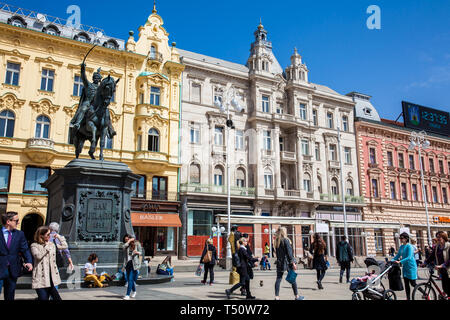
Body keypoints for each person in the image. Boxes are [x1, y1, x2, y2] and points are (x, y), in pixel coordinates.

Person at [0, 211, 33, 300]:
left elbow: (25, 249)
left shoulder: (20, 234)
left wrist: (28, 261)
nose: (18, 222)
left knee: (10, 295)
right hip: (0, 267)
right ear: (8, 221)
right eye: (16, 220)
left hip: (13, 269)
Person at [30, 226, 67, 300]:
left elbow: (65, 246)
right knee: (43, 298)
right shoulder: (34, 245)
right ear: (41, 236)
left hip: (51, 278)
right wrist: (46, 246)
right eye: (48, 234)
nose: (50, 236)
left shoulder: (52, 244)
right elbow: (38, 256)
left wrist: (59, 237)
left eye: (50, 234)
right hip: (41, 277)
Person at [274, 227, 304, 300]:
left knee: (278, 279)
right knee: (292, 278)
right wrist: (293, 262)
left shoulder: (276, 241)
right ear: (284, 232)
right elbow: (289, 253)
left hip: (280, 262)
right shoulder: (286, 240)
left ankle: (277, 297)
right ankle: (297, 296)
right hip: (287, 262)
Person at [391, 232, 417, 300]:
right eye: (400, 238)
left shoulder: (409, 246)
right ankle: (408, 298)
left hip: (411, 267)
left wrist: (400, 261)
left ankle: (425, 294)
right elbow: (398, 255)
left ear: (406, 239)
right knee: (406, 284)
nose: (400, 239)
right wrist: (391, 260)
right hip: (405, 267)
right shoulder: (401, 246)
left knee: (413, 284)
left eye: (402, 238)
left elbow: (409, 257)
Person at [423, 231, 450, 296]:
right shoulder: (437, 247)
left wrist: (443, 265)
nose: (437, 238)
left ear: (443, 237)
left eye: (439, 237)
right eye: (437, 237)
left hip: (448, 270)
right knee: (445, 288)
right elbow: (432, 256)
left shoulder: (449, 246)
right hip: (442, 270)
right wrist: (425, 262)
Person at [122, 234, 143, 300]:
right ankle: (134, 291)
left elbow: (141, 252)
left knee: (130, 279)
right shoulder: (126, 245)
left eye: (127, 239)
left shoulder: (137, 244)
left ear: (131, 239)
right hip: (127, 263)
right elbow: (123, 247)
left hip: (134, 263)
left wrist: (137, 252)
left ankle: (127, 295)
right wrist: (128, 242)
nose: (126, 241)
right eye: (125, 240)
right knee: (129, 279)